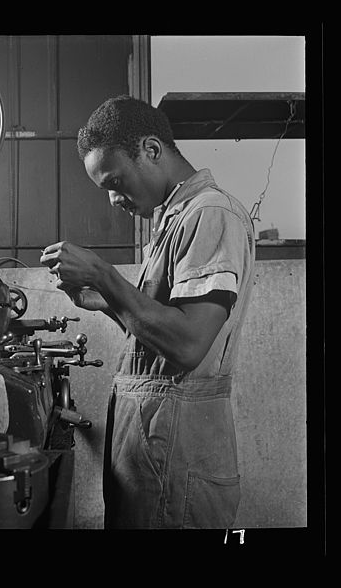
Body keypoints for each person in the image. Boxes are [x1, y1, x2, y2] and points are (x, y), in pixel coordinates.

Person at [40, 95, 255, 529]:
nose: (115, 199)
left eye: (115, 182)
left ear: (152, 150)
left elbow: (188, 343)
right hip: (154, 447)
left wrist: (104, 275)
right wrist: (103, 302)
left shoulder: (209, 213)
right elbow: (158, 335)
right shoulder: (173, 218)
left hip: (177, 452)